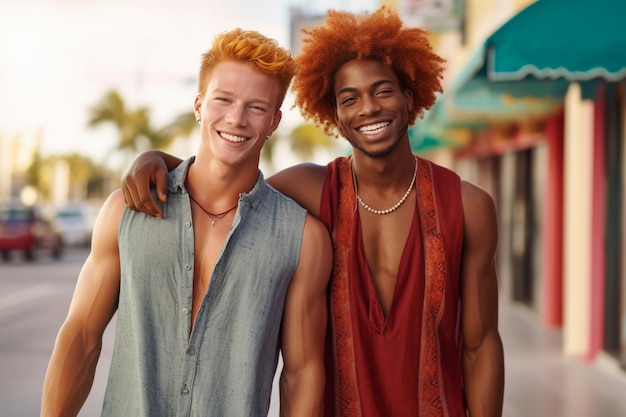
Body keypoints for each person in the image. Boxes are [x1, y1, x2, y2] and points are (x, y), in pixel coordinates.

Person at [121, 7, 505, 417]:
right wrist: (155, 158)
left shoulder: (467, 206)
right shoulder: (308, 189)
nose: (369, 108)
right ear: (335, 115)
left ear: (409, 97)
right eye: (349, 98)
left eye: (383, 90)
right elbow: (221, 178)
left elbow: (480, 347)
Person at [41, 28, 332, 417]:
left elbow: (301, 373)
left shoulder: (303, 239)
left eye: (256, 107)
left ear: (274, 121)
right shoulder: (125, 212)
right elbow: (81, 335)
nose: (236, 118)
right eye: (223, 99)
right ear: (199, 104)